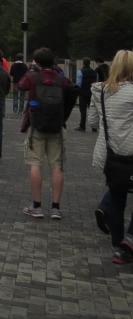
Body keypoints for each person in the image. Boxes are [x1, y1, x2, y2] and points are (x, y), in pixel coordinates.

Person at [18, 48, 77, 219]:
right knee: (57, 165)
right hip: (57, 126)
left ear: (37, 62)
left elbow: (21, 86)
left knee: (35, 163)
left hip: (36, 124)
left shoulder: (33, 77)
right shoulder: (61, 80)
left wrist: (31, 71)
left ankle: (36, 206)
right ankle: (56, 207)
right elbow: (72, 91)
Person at [88, 50, 133, 264]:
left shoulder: (100, 91)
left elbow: (92, 123)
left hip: (110, 155)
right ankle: (130, 239)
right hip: (131, 153)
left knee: (117, 200)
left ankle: (117, 246)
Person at [76, 58, 95, 131]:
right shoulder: (94, 72)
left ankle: (82, 126)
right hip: (92, 93)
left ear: (83, 63)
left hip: (83, 93)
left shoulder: (80, 71)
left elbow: (79, 83)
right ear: (90, 63)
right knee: (93, 110)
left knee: (83, 110)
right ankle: (94, 127)